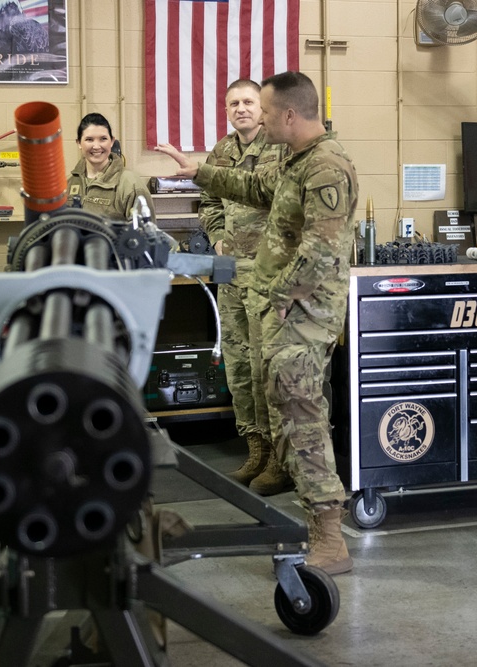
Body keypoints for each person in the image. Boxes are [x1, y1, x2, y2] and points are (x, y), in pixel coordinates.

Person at [156, 71, 358, 575]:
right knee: (286, 410)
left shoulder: (326, 167)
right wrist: (198, 171)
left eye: (265, 111)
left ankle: (330, 539)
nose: (260, 119)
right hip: (284, 308)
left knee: (304, 420)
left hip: (304, 315)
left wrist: (281, 296)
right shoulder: (296, 161)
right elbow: (252, 185)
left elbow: (323, 251)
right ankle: (314, 522)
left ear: (289, 114)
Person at [199, 79, 290, 495]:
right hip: (229, 270)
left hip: (268, 274)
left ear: (262, 106)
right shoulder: (221, 151)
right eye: (233, 102)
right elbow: (209, 201)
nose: (241, 108)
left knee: (263, 365)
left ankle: (278, 458)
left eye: (248, 102)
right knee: (236, 364)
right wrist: (217, 235)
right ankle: (254, 449)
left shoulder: (281, 146)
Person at [68, 112, 156, 224]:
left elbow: (147, 236)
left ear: (112, 142)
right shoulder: (68, 183)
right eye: (89, 139)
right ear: (79, 143)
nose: (96, 146)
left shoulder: (131, 185)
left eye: (103, 139)